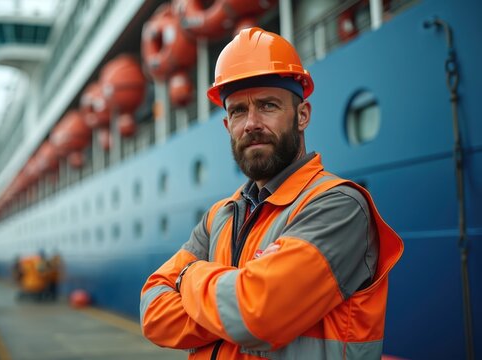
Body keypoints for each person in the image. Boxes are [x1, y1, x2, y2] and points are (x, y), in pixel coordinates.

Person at [140, 28, 403, 359]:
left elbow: (257, 316)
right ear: (227, 126)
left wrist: (191, 276)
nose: (251, 123)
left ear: (302, 115)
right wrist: (231, 303)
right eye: (237, 111)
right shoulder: (220, 216)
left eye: (267, 105)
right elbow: (152, 311)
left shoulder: (338, 206)